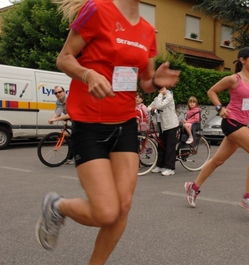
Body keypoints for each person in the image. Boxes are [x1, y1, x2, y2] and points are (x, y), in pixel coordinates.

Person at [35, 1, 180, 264]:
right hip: (89, 124)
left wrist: (157, 80)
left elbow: (145, 82)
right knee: (105, 212)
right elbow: (64, 58)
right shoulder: (97, 10)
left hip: (125, 124)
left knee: (122, 208)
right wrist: (87, 74)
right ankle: (56, 206)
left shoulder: (148, 30)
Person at [184, 47, 249, 213]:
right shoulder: (233, 79)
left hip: (242, 125)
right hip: (231, 122)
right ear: (243, 60)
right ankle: (248, 197)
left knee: (218, 161)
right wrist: (220, 108)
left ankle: (193, 187)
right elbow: (211, 91)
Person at [148, 87, 179, 176]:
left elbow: (159, 106)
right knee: (161, 145)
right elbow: (149, 107)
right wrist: (151, 108)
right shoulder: (158, 98)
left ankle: (170, 168)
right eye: (159, 89)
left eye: (162, 88)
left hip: (171, 125)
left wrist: (161, 95)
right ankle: (160, 165)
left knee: (170, 146)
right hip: (162, 125)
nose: (160, 90)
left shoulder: (169, 96)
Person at [48, 85, 74, 164]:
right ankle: (69, 159)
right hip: (74, 120)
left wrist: (56, 119)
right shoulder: (59, 101)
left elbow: (70, 114)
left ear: (64, 92)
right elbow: (58, 113)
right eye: (56, 93)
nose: (58, 94)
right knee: (73, 138)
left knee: (76, 137)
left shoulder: (70, 100)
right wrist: (52, 118)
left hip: (82, 119)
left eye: (60, 92)